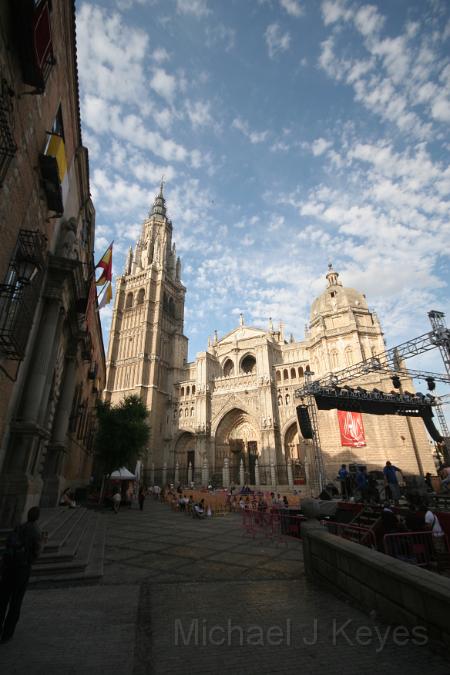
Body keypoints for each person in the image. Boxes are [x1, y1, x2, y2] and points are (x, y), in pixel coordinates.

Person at [0, 507, 46, 642]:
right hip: (22, 569)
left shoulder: (18, 527)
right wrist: (43, 544)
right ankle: (7, 634)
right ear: (37, 517)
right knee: (16, 602)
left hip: (8, 568)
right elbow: (37, 553)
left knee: (2, 599)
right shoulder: (36, 531)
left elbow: (8, 545)